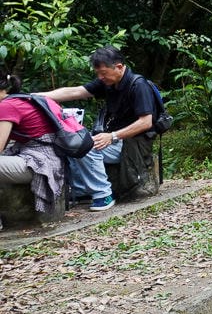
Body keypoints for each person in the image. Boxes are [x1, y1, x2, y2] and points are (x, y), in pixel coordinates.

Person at [42, 46, 159, 201]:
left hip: (134, 143)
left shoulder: (138, 85)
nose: (100, 77)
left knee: (84, 147)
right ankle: (81, 191)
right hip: (116, 140)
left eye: (103, 73)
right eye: (97, 73)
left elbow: (145, 122)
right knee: (70, 144)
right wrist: (34, 97)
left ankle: (103, 194)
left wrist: (112, 136)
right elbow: (75, 92)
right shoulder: (108, 83)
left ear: (118, 67)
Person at [0, 72, 114, 213]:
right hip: (56, 156)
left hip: (42, 163)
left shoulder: (6, 106)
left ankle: (102, 192)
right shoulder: (23, 99)